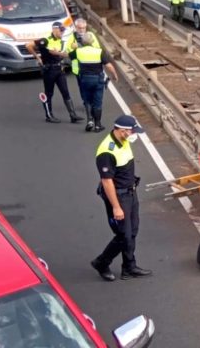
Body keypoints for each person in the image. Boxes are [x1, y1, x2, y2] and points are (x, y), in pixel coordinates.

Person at [91, 115, 152, 281]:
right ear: (123, 131)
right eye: (132, 131)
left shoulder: (123, 140)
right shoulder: (106, 151)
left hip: (130, 192)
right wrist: (116, 207)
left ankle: (129, 267)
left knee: (133, 231)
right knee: (123, 235)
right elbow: (107, 181)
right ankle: (101, 262)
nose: (134, 134)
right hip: (118, 196)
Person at [26, 21, 82, 124]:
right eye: (60, 30)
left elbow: (63, 52)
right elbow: (28, 45)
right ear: (54, 29)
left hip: (59, 69)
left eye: (63, 30)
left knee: (65, 92)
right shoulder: (45, 40)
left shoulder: (61, 41)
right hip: (49, 70)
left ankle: (72, 115)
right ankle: (49, 115)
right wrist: (37, 57)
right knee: (49, 93)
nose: (62, 32)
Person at [68, 33, 119, 132]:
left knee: (87, 101)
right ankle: (98, 125)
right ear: (92, 42)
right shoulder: (99, 52)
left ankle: (89, 121)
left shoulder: (78, 51)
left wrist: (72, 48)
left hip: (84, 79)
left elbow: (69, 56)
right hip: (97, 80)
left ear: (82, 42)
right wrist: (114, 75)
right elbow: (108, 66)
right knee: (97, 103)